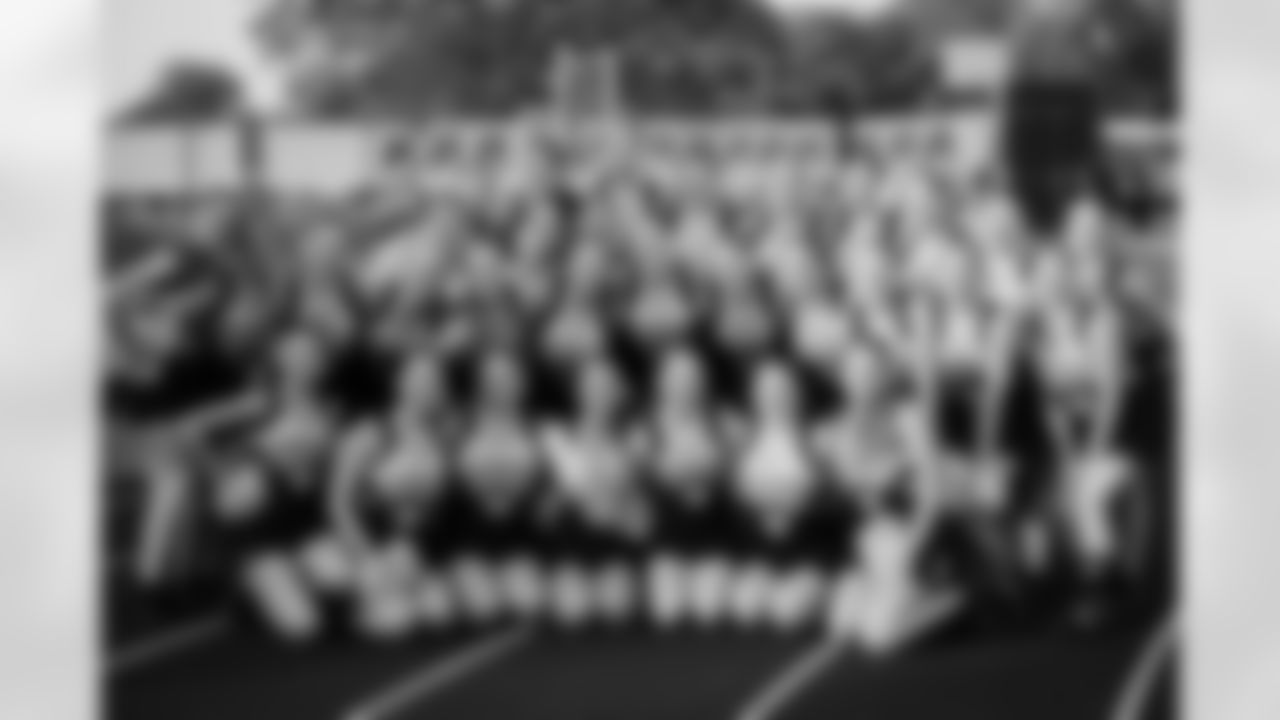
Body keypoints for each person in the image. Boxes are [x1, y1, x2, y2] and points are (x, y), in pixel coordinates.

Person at [210, 328, 342, 643]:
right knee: (303, 627)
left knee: (342, 583)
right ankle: (248, 583)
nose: (306, 364)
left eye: (312, 356)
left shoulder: (333, 408)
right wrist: (243, 471)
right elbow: (201, 440)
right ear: (278, 362)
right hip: (261, 530)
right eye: (295, 357)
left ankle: (299, 570)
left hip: (305, 524)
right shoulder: (256, 405)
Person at [328, 351, 459, 639]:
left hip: (420, 547)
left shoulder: (444, 434)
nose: (426, 388)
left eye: (434, 381)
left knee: (439, 614)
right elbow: (339, 502)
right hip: (375, 543)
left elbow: (445, 508)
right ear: (398, 382)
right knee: (395, 623)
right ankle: (347, 600)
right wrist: (367, 556)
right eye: (417, 379)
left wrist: (424, 553)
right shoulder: (369, 433)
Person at [542, 359, 648, 631]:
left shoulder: (634, 439)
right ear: (577, 392)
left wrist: (621, 508)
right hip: (571, 540)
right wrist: (569, 496)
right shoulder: (557, 436)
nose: (599, 397)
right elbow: (545, 514)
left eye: (606, 389)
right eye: (591, 388)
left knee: (617, 614)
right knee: (573, 616)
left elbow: (641, 520)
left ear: (620, 394)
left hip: (614, 540)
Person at [642, 349, 735, 632]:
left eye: (692, 379)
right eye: (677, 380)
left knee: (709, 613)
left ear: (704, 383)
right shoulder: (646, 428)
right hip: (668, 542)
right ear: (662, 383)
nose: (685, 387)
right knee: (668, 615)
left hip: (712, 540)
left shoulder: (725, 424)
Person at [732, 362, 826, 633]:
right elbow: (737, 503)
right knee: (745, 609)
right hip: (760, 552)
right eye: (767, 391)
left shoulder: (816, 439)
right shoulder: (742, 438)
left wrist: (795, 506)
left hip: (807, 552)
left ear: (797, 394)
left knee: (788, 614)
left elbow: (830, 506)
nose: (775, 398)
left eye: (782, 390)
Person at [455, 352, 547, 627]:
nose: (501, 386)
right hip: (470, 540)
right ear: (481, 383)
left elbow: (546, 487)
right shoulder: (460, 424)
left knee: (529, 605)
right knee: (482, 610)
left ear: (522, 383)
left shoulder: (536, 425)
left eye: (509, 378)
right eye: (493, 379)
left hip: (521, 539)